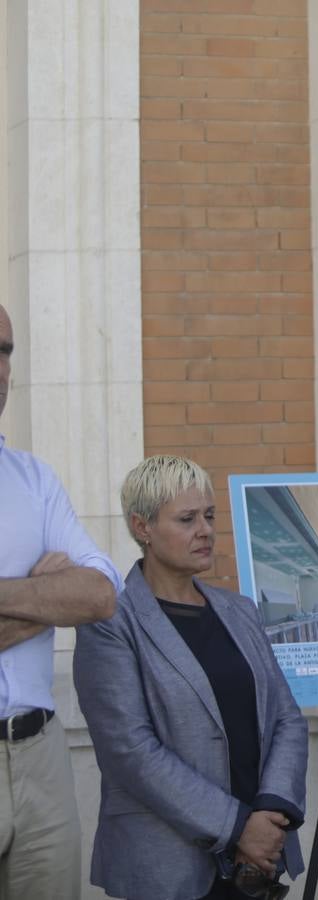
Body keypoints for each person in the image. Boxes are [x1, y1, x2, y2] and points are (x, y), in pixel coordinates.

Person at [74, 456, 308, 900]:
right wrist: (239, 826)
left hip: (256, 863)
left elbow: (287, 719)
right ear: (142, 527)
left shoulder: (240, 611)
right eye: (186, 519)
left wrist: (272, 812)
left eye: (209, 515)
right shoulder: (110, 621)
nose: (205, 530)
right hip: (166, 867)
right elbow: (130, 750)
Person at [0, 303, 120, 900]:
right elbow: (71, 598)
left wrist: (16, 606)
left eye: (4, 351)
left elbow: (100, 593)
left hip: (40, 755)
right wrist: (45, 596)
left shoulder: (34, 480)